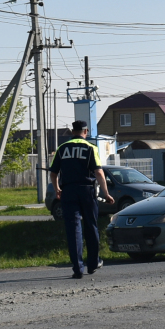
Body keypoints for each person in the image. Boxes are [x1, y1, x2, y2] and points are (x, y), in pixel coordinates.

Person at [48, 120, 114, 279]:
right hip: (86, 190)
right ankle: (93, 263)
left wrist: (57, 189)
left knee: (73, 229)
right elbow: (98, 172)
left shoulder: (62, 148)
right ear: (86, 131)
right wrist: (106, 194)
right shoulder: (91, 148)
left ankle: (77, 268)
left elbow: (53, 173)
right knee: (91, 226)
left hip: (68, 191)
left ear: (73, 132)